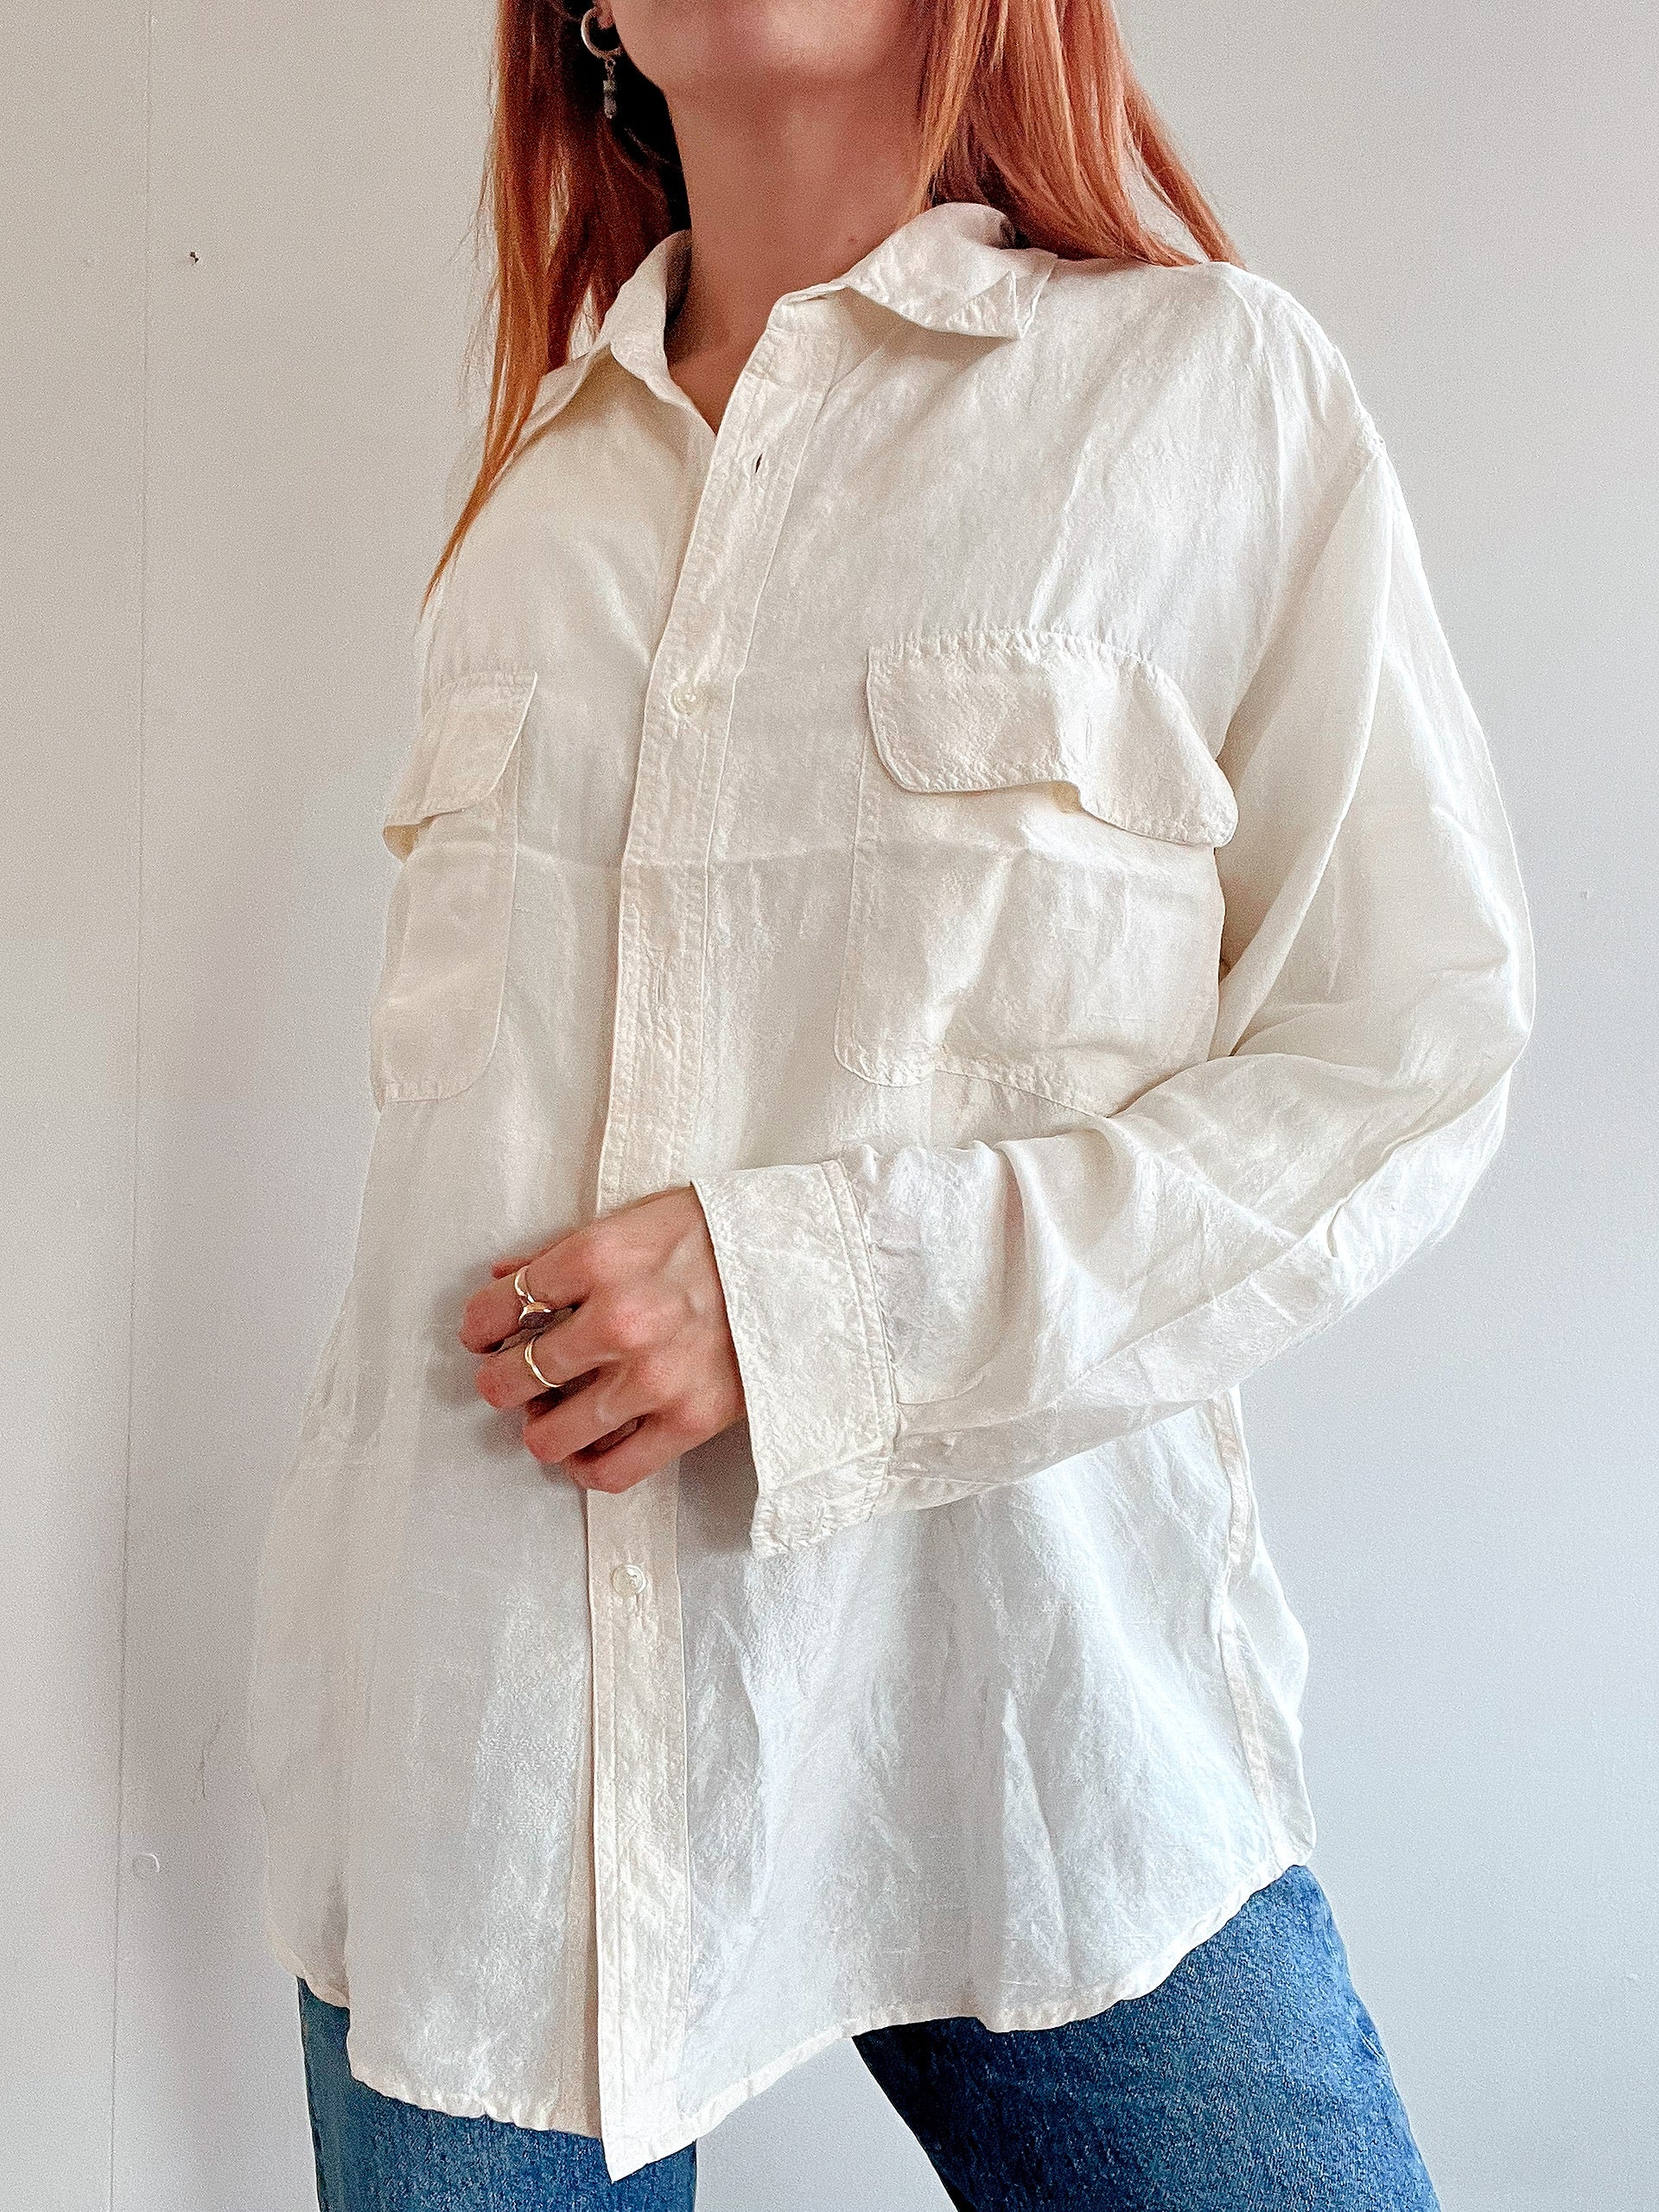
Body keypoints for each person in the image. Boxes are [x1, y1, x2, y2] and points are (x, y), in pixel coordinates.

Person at [246, 1, 1535, 2206]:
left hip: (1035, 1726)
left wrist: (815, 1302)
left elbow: (1403, 1053)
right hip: (491, 1771)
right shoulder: (534, 501)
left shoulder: (1206, 396)